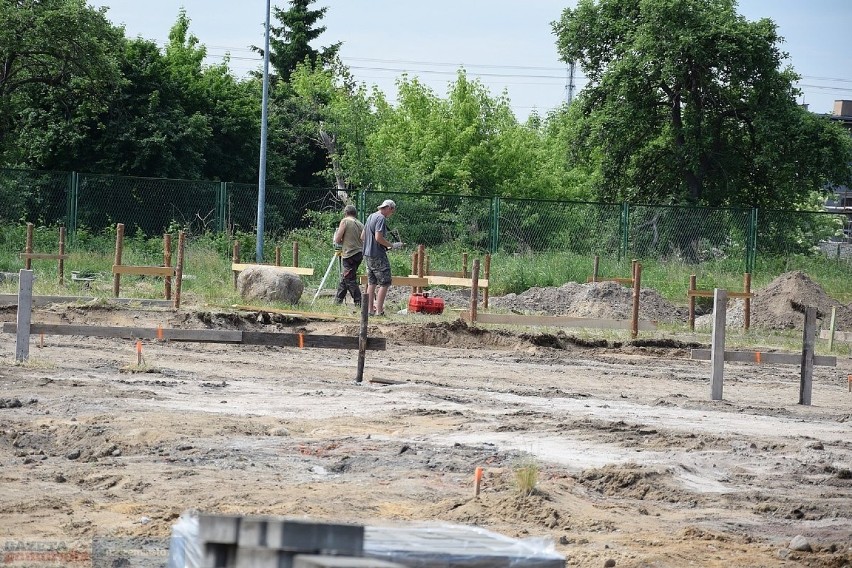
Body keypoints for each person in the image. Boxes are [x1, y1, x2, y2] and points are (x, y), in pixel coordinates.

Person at [362, 199, 402, 316]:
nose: (391, 214)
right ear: (389, 208)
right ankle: (379, 311)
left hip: (367, 255)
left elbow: (362, 236)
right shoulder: (381, 218)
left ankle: (370, 310)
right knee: (385, 282)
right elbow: (378, 238)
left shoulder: (371, 216)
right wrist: (392, 245)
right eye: (392, 211)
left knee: (372, 282)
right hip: (377, 255)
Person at [333, 204, 365, 307]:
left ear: (346, 213)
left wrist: (340, 240)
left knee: (350, 280)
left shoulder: (345, 221)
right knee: (345, 278)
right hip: (359, 253)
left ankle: (359, 302)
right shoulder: (360, 224)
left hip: (349, 254)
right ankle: (337, 302)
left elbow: (338, 239)